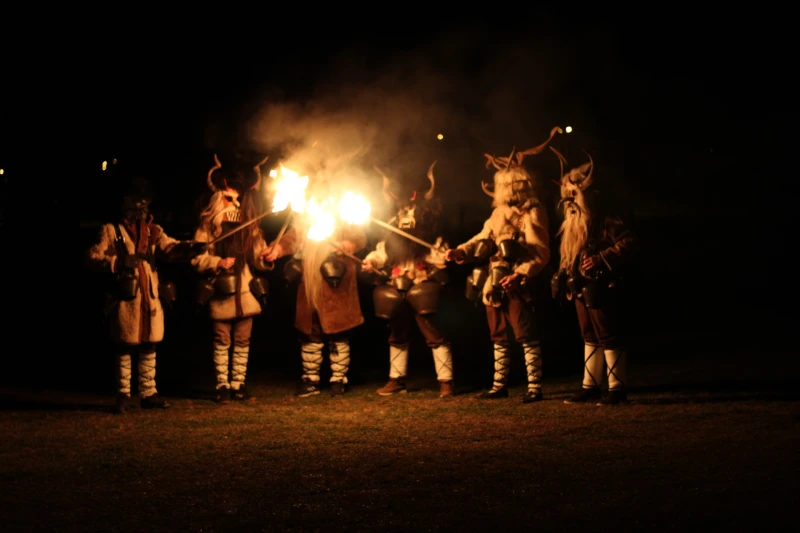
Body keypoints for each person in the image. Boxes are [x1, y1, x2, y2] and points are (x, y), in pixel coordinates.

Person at [446, 127, 558, 403]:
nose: (508, 191)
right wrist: (460, 251)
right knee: (497, 334)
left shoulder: (533, 212)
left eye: (512, 185)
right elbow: (484, 238)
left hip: (517, 282)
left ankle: (534, 388)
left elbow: (541, 252)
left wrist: (521, 275)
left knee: (525, 333)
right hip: (493, 280)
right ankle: (499, 385)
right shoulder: (497, 213)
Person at [86, 177, 205, 414]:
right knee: (124, 344)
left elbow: (170, 249)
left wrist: (190, 247)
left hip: (149, 295)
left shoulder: (152, 230)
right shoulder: (111, 230)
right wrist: (117, 262)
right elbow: (92, 258)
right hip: (126, 296)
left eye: (144, 203)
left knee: (150, 344)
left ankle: (148, 393)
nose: (142, 207)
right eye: (137, 202)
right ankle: (123, 395)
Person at [263, 155, 366, 397]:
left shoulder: (344, 206)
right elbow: (293, 237)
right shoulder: (305, 209)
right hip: (310, 278)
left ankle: (339, 379)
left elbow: (360, 235)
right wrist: (277, 249)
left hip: (337, 279)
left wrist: (347, 244)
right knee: (311, 330)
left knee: (338, 331)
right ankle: (310, 379)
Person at [549, 146, 636, 405]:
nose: (570, 201)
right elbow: (570, 252)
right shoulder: (572, 222)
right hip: (580, 286)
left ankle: (617, 389)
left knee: (607, 333)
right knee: (588, 334)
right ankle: (591, 387)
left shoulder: (605, 219)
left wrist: (600, 258)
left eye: (575, 195)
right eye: (567, 195)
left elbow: (628, 241)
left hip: (601, 284)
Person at [191, 154, 278, 404]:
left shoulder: (249, 225)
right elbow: (197, 257)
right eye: (229, 198)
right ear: (220, 197)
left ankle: (238, 384)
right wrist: (216, 262)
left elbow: (257, 256)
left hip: (244, 291)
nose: (235, 203)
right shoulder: (209, 226)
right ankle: (222, 386)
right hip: (221, 291)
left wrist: (266, 258)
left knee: (243, 340)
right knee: (221, 339)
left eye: (238, 198)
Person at [363, 161, 455, 398]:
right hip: (398, 284)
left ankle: (446, 381)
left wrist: (444, 254)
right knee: (397, 333)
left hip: (422, 283)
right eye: (403, 214)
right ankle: (397, 380)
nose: (406, 219)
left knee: (433, 332)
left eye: (411, 214)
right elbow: (381, 253)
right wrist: (371, 261)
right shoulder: (391, 235)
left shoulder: (431, 236)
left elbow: (439, 255)